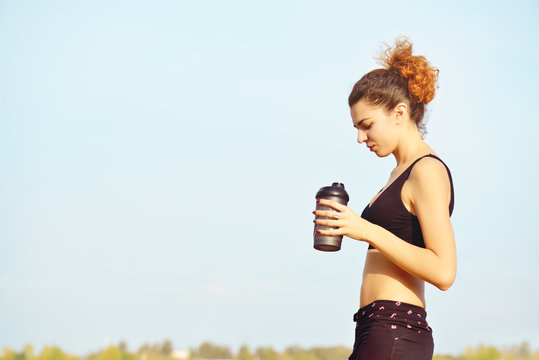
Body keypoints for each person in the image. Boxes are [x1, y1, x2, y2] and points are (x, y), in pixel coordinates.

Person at [313, 37, 456, 360]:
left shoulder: (426, 171)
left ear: (399, 112)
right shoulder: (400, 172)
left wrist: (364, 229)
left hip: (395, 330)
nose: (360, 137)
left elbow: (444, 271)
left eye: (366, 125)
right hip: (375, 328)